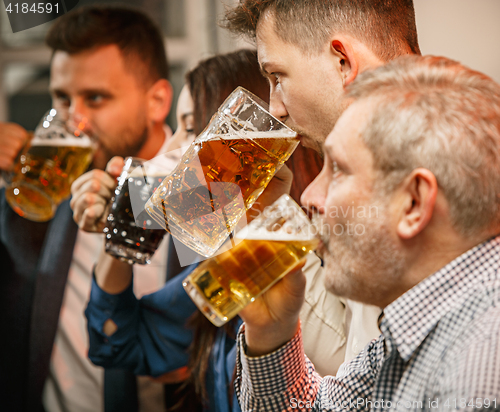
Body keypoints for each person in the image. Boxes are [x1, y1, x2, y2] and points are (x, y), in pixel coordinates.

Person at [77, 48, 346, 412]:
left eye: (188, 127)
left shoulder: (338, 254)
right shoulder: (222, 267)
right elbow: (116, 344)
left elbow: (345, 367)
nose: (170, 146)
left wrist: (252, 212)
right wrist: (124, 232)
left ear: (244, 142)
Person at [234, 54, 500, 410]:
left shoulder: (477, 365)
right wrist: (272, 334)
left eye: (339, 170)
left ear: (413, 203)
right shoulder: (413, 326)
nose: (309, 195)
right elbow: (317, 407)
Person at [222, 0, 422, 362]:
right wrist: (267, 217)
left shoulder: (443, 166)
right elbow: (348, 360)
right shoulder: (373, 157)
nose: (275, 108)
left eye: (277, 77)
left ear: (342, 62)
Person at [0, 5, 177, 412]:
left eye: (94, 98)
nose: (73, 119)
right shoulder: (46, 185)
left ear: (157, 101)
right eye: (62, 98)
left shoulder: (196, 186)